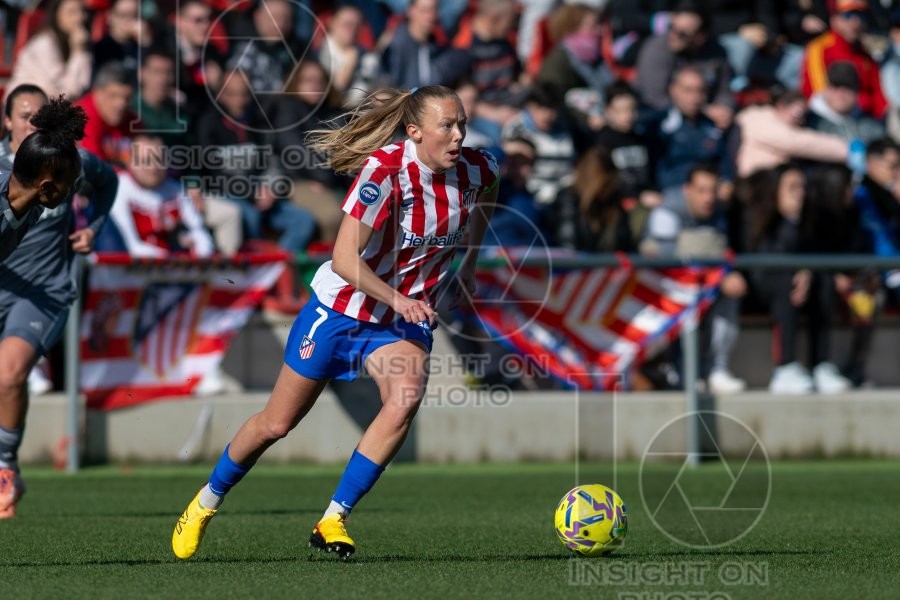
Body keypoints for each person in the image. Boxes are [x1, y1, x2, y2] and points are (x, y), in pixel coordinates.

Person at [171, 85, 499, 559]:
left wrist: (468, 259)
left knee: (403, 398)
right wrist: (399, 299)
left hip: (397, 321)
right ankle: (204, 503)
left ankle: (333, 519)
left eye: (462, 124)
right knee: (276, 424)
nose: (458, 135)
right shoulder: (385, 171)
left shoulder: (477, 167)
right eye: (446, 125)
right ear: (414, 131)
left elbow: (489, 191)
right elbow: (344, 259)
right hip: (341, 309)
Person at [0, 96, 115, 517]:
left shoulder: (45, 181)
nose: (72, 197)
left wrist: (95, 228)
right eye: (24, 117)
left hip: (43, 292)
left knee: (8, 374)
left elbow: (107, 182)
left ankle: (5, 468)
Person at [641, 164, 747, 395]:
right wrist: (711, 263)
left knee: (730, 292)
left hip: (704, 285)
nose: (708, 198)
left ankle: (716, 368)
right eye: (701, 191)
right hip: (663, 288)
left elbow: (722, 252)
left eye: (713, 190)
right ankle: (680, 368)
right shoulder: (667, 211)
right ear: (687, 189)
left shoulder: (718, 212)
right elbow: (665, 258)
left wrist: (720, 273)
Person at [746, 164, 851, 394]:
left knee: (824, 279)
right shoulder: (763, 220)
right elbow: (767, 259)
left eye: (802, 187)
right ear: (776, 191)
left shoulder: (807, 223)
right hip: (765, 286)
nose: (799, 193)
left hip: (802, 284)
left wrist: (807, 272)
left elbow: (814, 256)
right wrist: (797, 271)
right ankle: (785, 365)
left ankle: (820, 363)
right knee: (787, 282)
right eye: (792, 187)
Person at [109, 134, 215, 258]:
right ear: (131, 162)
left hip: (176, 268)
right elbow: (130, 245)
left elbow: (199, 232)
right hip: (136, 270)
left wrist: (200, 255)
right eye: (145, 161)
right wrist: (170, 260)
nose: (153, 168)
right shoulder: (119, 188)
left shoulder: (176, 189)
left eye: (158, 160)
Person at [800, 0, 887, 119]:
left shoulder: (865, 53)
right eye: (847, 15)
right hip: (829, 119)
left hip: (865, 121)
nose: (855, 21)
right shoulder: (819, 48)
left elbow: (879, 97)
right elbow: (819, 95)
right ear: (834, 19)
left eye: (860, 15)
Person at [735, 89, 849, 178]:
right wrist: (846, 149)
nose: (801, 120)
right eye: (798, 113)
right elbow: (796, 142)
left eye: (804, 115)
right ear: (781, 106)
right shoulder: (759, 118)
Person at [5, 0, 92, 101]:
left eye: (83, 11)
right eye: (71, 12)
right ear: (56, 15)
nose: (80, 18)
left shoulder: (78, 41)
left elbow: (86, 86)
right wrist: (79, 52)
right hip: (23, 108)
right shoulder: (44, 45)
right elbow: (67, 93)